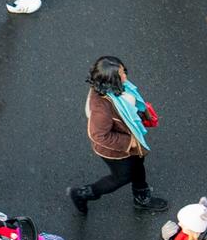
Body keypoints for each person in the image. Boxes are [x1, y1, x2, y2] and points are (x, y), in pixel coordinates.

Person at [69, 56, 165, 215]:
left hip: (130, 140)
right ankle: (82, 194)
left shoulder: (112, 88)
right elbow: (99, 136)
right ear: (110, 80)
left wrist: (140, 115)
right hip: (116, 150)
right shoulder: (101, 109)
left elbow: (125, 111)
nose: (125, 77)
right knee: (122, 177)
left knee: (138, 164)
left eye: (123, 71)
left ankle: (141, 196)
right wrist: (130, 143)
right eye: (121, 74)